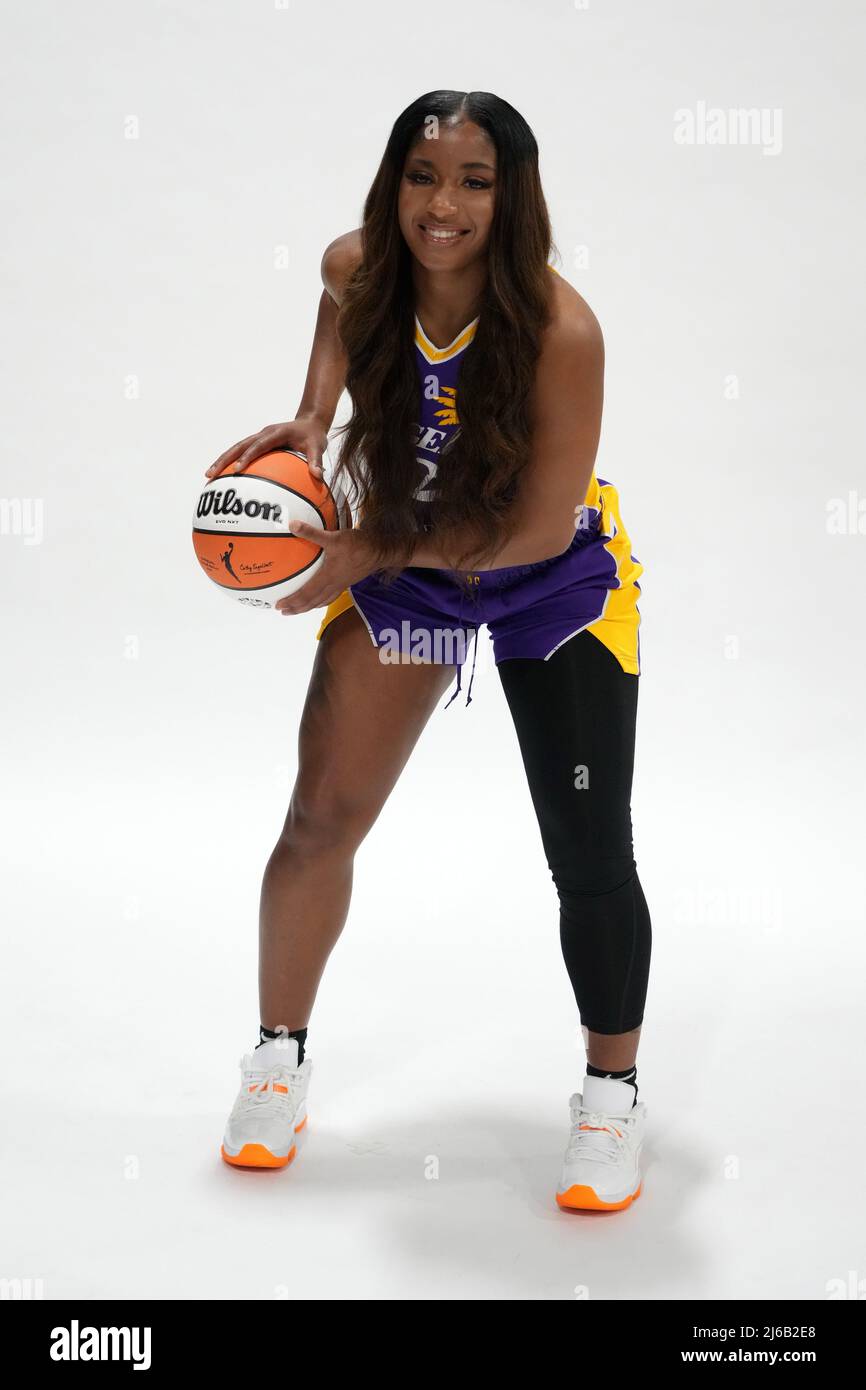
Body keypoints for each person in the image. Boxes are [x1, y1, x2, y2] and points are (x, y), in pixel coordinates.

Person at [206, 90, 651, 1212]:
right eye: (420, 175)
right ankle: (276, 1060)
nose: (440, 204)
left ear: (513, 197)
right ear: (392, 182)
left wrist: (364, 549)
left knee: (587, 850)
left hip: (549, 584)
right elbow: (333, 305)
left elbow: (540, 526)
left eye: (473, 180)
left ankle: (610, 1097)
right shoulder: (360, 265)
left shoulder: (560, 329)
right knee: (318, 817)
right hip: (409, 568)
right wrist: (312, 418)